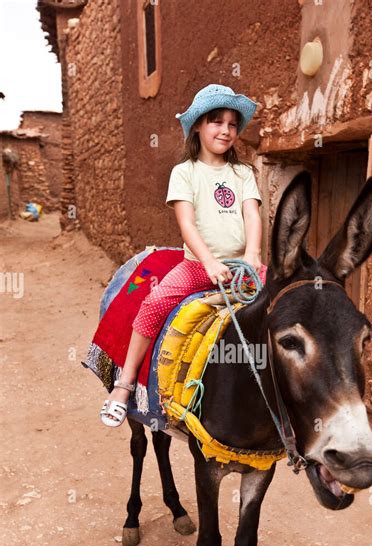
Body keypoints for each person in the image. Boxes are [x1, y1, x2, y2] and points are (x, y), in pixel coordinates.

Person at [100, 83, 267, 427]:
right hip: (198, 266)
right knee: (154, 303)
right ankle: (125, 383)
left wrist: (252, 254)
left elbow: (252, 214)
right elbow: (187, 223)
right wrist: (208, 261)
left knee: (283, 308)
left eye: (232, 124)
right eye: (216, 121)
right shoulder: (185, 172)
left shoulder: (243, 173)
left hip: (243, 268)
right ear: (198, 127)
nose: (225, 130)